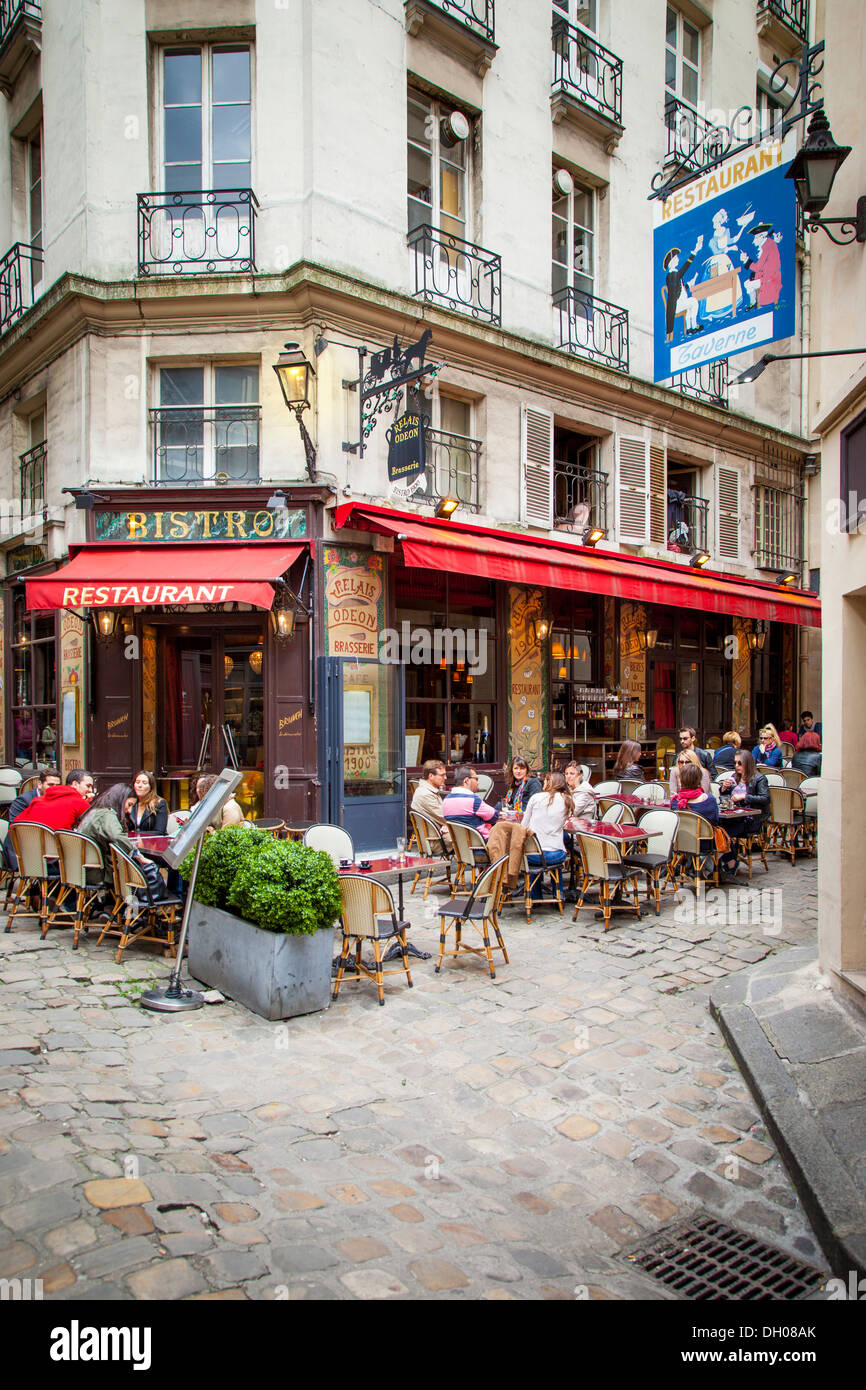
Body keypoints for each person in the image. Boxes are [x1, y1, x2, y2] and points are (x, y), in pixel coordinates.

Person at [79, 783, 164, 900]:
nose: (129, 811)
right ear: (120, 799)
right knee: (145, 868)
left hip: (86, 869)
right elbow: (117, 836)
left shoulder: (95, 811)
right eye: (129, 805)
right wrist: (138, 856)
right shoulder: (106, 814)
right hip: (97, 873)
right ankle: (141, 906)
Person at [718, 750, 770, 875]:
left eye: (740, 763)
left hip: (751, 819)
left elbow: (765, 798)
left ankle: (730, 861)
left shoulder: (759, 778)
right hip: (734, 816)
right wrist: (724, 788)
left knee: (723, 833)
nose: (736, 766)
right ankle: (730, 859)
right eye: (735, 763)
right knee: (717, 829)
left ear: (747, 763)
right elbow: (726, 797)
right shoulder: (735, 777)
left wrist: (745, 797)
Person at [522, 771, 572, 900]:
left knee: (533, 852)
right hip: (555, 854)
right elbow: (567, 823)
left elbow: (524, 825)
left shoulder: (535, 798)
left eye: (545, 781)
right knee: (557, 862)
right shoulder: (567, 800)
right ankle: (558, 895)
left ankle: (535, 896)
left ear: (550, 783)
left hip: (533, 855)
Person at [3, 769, 62, 871]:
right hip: (21, 851)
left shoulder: (59, 801)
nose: (54, 789)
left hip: (47, 849)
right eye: (50, 785)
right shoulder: (24, 801)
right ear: (39, 784)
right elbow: (17, 829)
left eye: (57, 786)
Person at [670, 760, 719, 878]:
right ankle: (709, 869)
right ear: (699, 779)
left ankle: (692, 865)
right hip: (705, 843)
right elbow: (715, 821)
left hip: (681, 843)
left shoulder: (675, 802)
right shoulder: (710, 800)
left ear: (681, 780)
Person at [15, 768, 95, 831]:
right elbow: (89, 830)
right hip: (59, 849)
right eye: (88, 786)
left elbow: (15, 825)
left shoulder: (39, 800)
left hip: (30, 848)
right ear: (75, 784)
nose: (90, 790)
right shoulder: (79, 803)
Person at [443, 765, 498, 841]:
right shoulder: (473, 800)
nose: (478, 783)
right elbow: (494, 816)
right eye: (476, 779)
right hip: (479, 843)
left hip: (459, 845)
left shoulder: (446, 800)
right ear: (467, 780)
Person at [663, 237, 703, 338]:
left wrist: (689, 284)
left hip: (680, 302)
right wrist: (694, 253)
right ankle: (693, 326)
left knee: (690, 306)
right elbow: (684, 270)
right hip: (676, 306)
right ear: (671, 262)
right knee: (693, 301)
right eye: (676, 258)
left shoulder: (674, 275)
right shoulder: (672, 274)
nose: (678, 259)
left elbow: (678, 289)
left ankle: (690, 328)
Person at [740, 223, 782, 311]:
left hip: (769, 279)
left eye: (756, 237)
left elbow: (759, 267)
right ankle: (753, 302)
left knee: (748, 284)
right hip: (767, 276)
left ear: (762, 236)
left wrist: (746, 260)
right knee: (747, 283)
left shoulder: (767, 247)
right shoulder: (767, 245)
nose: (754, 240)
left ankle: (754, 303)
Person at [411, 760, 449, 836]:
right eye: (442, 775)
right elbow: (445, 818)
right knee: (466, 835)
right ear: (431, 776)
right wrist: (447, 825)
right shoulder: (425, 794)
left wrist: (446, 825)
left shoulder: (427, 790)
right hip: (436, 839)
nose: (445, 777)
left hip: (437, 833)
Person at [125, 770, 168, 835]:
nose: (140, 785)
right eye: (137, 782)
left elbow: (159, 831)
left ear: (151, 787)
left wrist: (135, 833)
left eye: (144, 783)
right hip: (132, 843)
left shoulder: (159, 803)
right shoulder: (131, 803)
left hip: (152, 843)